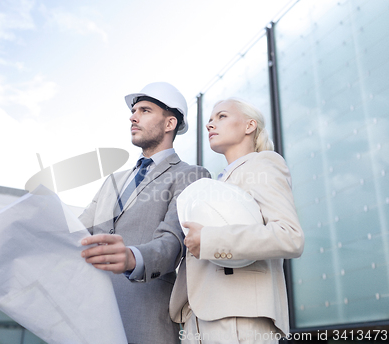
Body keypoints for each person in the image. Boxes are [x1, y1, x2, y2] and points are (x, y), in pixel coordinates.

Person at [79, 82, 210, 344]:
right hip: (92, 317)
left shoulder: (190, 175)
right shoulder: (113, 181)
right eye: (134, 110)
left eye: (145, 110)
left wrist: (131, 258)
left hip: (146, 318)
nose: (133, 117)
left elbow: (173, 242)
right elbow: (79, 231)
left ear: (169, 123)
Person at [170, 98, 305, 344]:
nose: (211, 124)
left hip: (239, 321)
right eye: (209, 120)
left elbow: (289, 236)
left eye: (221, 116)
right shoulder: (220, 183)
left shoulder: (264, 163)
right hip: (199, 321)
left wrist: (210, 239)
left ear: (249, 125)